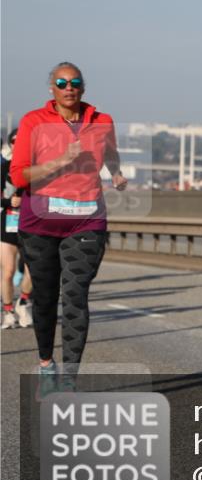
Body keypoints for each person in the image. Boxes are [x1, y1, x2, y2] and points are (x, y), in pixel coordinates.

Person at [9, 62, 127, 394]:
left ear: (83, 87)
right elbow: (19, 176)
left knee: (75, 295)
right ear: (52, 89)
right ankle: (47, 364)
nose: (68, 87)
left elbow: (111, 154)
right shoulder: (34, 122)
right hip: (40, 223)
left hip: (86, 220)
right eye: (61, 82)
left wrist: (116, 174)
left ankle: (70, 381)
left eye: (74, 82)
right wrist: (61, 160)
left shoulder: (102, 122)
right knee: (45, 297)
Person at [2, 128, 34, 329]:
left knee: (33, 269)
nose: (18, 144)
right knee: (8, 271)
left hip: (30, 225)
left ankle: (23, 301)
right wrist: (9, 201)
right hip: (6, 224)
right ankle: (7, 311)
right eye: (15, 141)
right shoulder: (2, 167)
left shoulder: (37, 169)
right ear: (11, 144)